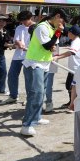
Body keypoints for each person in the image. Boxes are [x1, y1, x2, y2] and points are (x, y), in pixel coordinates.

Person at [20, 9, 67, 137]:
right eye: (63, 20)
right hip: (34, 63)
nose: (63, 24)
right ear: (57, 16)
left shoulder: (51, 28)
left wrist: (56, 35)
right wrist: (58, 32)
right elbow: (48, 46)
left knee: (42, 91)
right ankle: (27, 124)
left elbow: (52, 46)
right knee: (36, 93)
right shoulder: (43, 27)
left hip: (44, 63)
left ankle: (37, 116)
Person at [2, 10, 33, 106]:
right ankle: (13, 96)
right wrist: (18, 42)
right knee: (12, 75)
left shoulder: (36, 27)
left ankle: (29, 98)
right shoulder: (19, 27)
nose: (22, 23)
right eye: (21, 21)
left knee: (29, 78)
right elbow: (16, 39)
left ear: (29, 18)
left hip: (30, 55)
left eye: (24, 20)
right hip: (18, 55)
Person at [55, 25, 80, 109]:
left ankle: (74, 104)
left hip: (76, 69)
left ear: (73, 33)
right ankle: (71, 102)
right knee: (69, 86)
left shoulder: (76, 42)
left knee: (72, 86)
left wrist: (57, 57)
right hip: (72, 69)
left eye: (69, 32)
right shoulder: (74, 40)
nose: (67, 33)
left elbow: (71, 52)